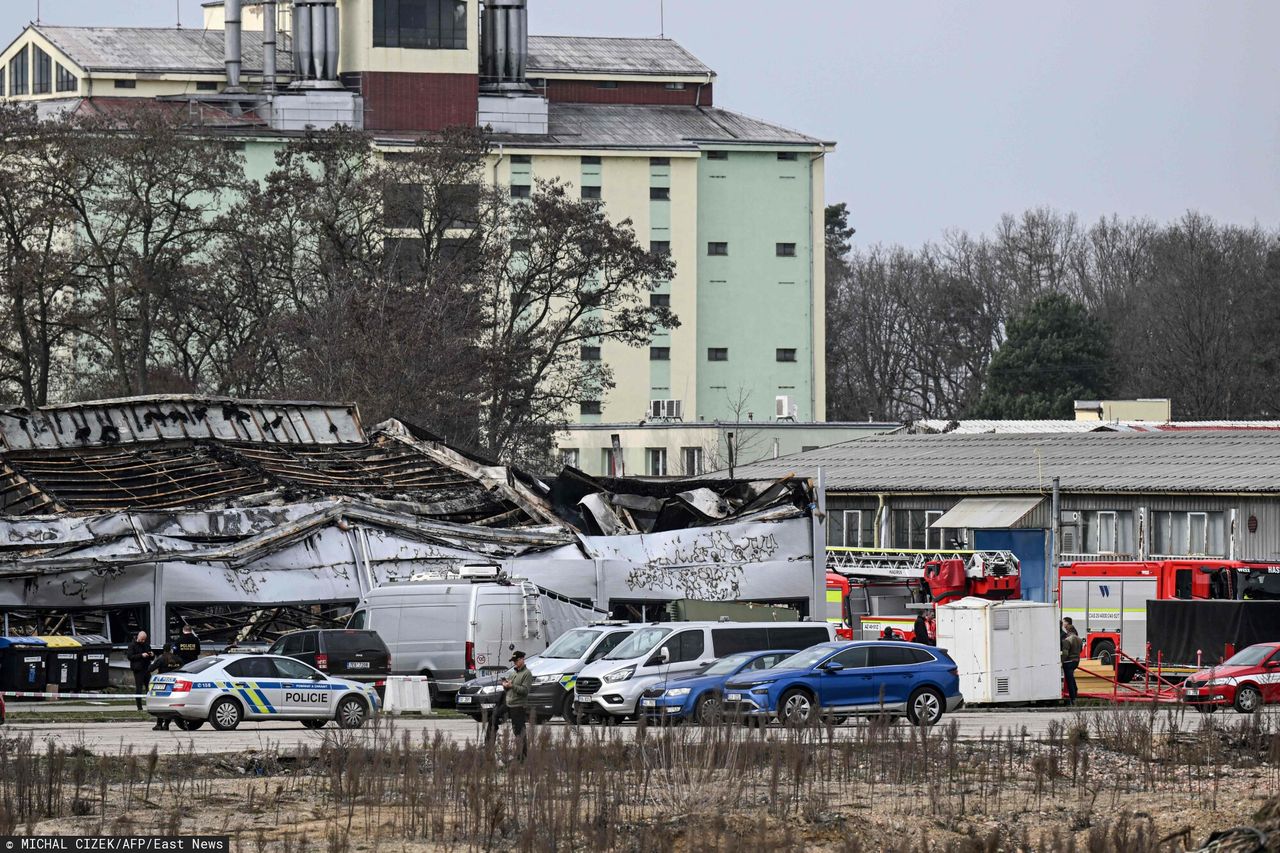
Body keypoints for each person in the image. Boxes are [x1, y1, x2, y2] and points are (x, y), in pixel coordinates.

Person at [485, 650, 533, 760]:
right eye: (513, 661)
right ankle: (488, 747)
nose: (515, 663)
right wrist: (505, 685)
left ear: (522, 659)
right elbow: (509, 689)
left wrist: (512, 686)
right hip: (508, 702)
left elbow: (525, 691)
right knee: (493, 718)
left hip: (518, 705)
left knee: (519, 731)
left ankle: (522, 756)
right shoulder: (513, 673)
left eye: (516, 660)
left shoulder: (527, 674)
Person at [147, 644, 185, 730]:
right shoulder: (178, 659)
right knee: (169, 705)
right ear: (171, 650)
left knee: (161, 704)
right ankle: (166, 724)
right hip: (174, 682)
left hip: (162, 683)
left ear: (163, 650)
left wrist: (153, 661)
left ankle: (159, 724)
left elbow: (150, 669)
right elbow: (184, 668)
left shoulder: (161, 658)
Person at [127, 631, 154, 711]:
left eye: (144, 640)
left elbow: (150, 657)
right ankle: (139, 707)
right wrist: (141, 655)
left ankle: (150, 705)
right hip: (138, 669)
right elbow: (130, 657)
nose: (143, 641)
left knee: (149, 688)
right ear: (138, 637)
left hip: (146, 668)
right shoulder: (132, 645)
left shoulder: (146, 645)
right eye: (142, 639)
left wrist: (152, 655)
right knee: (139, 688)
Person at [1061, 617, 1082, 705]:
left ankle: (1073, 699)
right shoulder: (1079, 639)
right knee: (1071, 678)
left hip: (1068, 662)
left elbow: (1065, 653)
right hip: (1076, 661)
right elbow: (1080, 650)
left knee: (1069, 680)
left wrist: (1061, 661)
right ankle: (1075, 691)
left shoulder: (1067, 640)